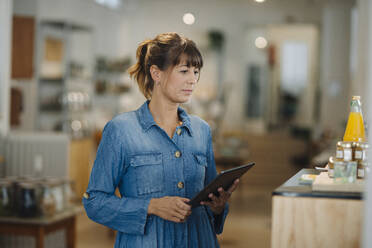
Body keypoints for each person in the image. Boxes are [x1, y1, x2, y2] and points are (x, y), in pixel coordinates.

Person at [83, 32, 239, 248]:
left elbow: (210, 199)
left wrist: (218, 207)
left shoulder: (202, 130)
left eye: (196, 72)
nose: (193, 79)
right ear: (156, 73)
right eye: (184, 71)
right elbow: (95, 202)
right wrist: (151, 206)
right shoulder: (121, 130)